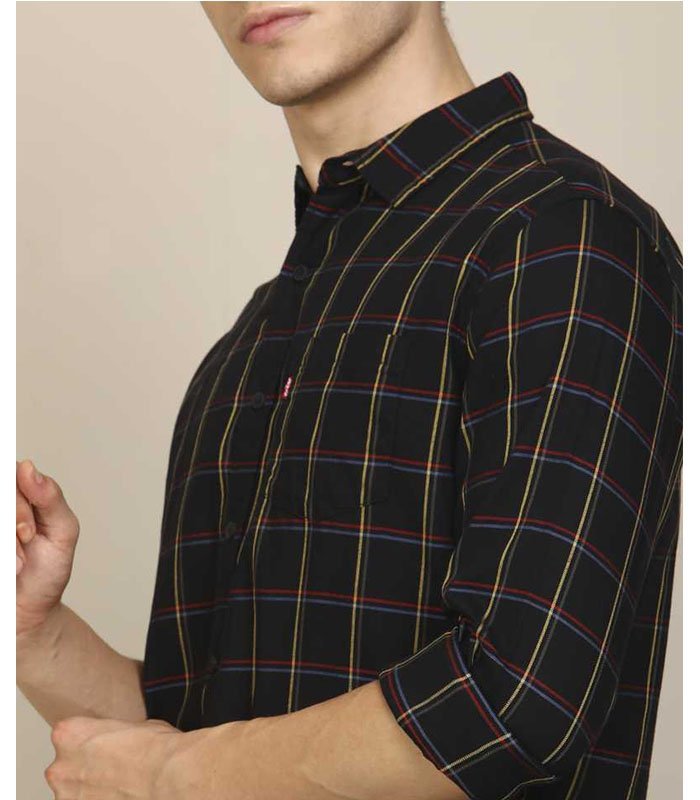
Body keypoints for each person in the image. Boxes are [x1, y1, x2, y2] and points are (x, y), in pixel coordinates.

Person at [17, 2, 682, 799]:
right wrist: (32, 634)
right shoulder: (250, 341)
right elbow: (207, 746)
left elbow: (516, 702)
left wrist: (171, 776)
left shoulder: (563, 237)